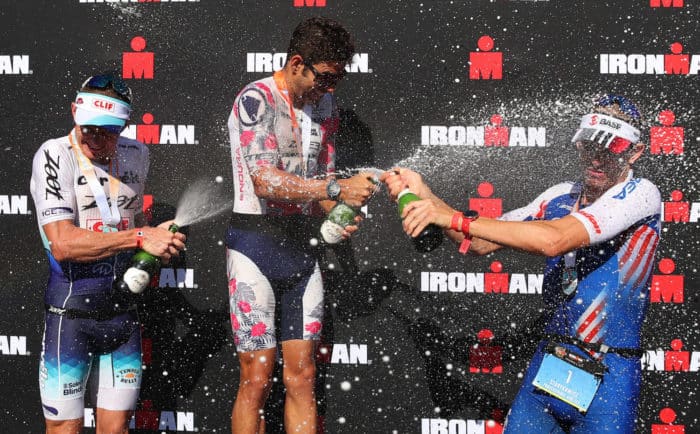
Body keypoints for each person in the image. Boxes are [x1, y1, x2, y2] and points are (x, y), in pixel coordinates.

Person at [382, 94, 661, 433]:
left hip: (610, 375)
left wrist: (449, 217)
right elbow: (480, 243)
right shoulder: (559, 195)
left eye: (610, 149)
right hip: (549, 365)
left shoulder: (642, 194)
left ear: (635, 152)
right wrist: (426, 195)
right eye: (590, 146)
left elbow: (553, 239)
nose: (596, 159)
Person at [225, 16, 377, 434]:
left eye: (337, 79)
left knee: (304, 376)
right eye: (326, 77)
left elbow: (321, 189)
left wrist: (339, 209)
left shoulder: (324, 107)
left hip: (301, 250)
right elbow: (265, 179)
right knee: (257, 375)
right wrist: (335, 187)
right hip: (253, 246)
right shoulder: (256, 99)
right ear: (297, 63)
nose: (330, 88)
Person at [29, 72, 187, 434]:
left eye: (109, 131)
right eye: (90, 129)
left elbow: (128, 222)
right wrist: (139, 237)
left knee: (115, 430)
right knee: (64, 429)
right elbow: (63, 243)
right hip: (72, 316)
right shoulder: (55, 155)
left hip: (123, 314)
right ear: (74, 113)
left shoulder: (137, 153)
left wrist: (156, 239)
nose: (98, 139)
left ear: (125, 126)